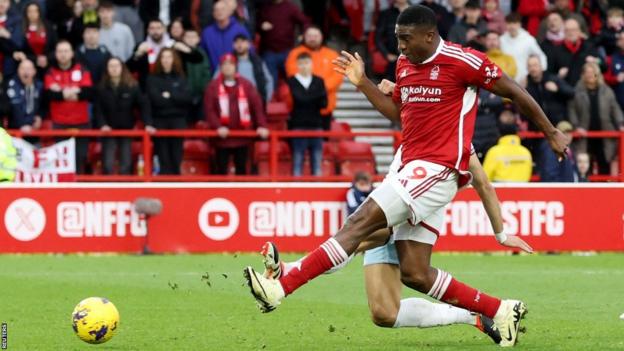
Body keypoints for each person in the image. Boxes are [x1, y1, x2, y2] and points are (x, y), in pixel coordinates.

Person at [243, 6, 568, 349]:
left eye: (405, 39)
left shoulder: (464, 61)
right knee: (414, 273)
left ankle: (283, 284)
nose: (399, 47)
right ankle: (499, 310)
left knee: (360, 223)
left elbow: (514, 91)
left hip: (438, 169)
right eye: (397, 38)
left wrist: (549, 132)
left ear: (429, 35)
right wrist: (364, 83)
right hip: (413, 172)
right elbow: (400, 115)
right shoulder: (405, 66)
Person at [205, 53, 268, 175]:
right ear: (221, 68)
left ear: (236, 66)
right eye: (224, 64)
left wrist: (261, 125)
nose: (228, 67)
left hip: (243, 136)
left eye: (231, 64)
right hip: (221, 138)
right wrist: (218, 127)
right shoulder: (213, 87)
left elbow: (257, 106)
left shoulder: (247, 85)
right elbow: (209, 110)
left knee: (242, 170)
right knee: (220, 171)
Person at [95, 57, 154, 174]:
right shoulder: (101, 88)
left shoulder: (132, 86)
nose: (114, 69)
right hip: (108, 130)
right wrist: (102, 125)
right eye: (111, 66)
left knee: (126, 163)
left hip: (126, 129)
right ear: (107, 69)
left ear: (122, 68)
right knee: (107, 163)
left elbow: (143, 105)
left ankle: (126, 190)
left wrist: (147, 124)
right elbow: (98, 110)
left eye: (117, 66)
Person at [43, 40, 94, 174]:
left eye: (66, 51)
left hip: (81, 122)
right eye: (60, 51)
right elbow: (50, 95)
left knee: (81, 156)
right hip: (59, 123)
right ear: (56, 54)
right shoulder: (50, 72)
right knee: (61, 159)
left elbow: (87, 93)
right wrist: (74, 90)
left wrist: (62, 91)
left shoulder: (82, 69)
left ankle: (81, 190)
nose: (63, 54)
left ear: (72, 53)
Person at [568, 62, 624, 175]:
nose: (590, 75)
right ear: (583, 74)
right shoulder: (576, 92)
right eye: (587, 72)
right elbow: (571, 111)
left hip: (604, 137)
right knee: (584, 169)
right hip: (584, 137)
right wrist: (576, 127)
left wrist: (620, 123)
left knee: (604, 167)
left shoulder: (607, 91)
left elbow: (615, 109)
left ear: (597, 74)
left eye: (592, 72)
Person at [285, 26, 342, 131]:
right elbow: (292, 73)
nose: (313, 38)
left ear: (321, 37)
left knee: (322, 143)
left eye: (315, 36)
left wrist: (318, 88)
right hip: (301, 108)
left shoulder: (332, 55)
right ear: (304, 37)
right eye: (310, 36)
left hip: (325, 107)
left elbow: (337, 76)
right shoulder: (295, 54)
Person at [145, 48, 192, 175]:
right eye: (163, 57)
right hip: (159, 121)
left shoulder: (181, 78)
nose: (166, 60)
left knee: (176, 156)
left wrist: (169, 95)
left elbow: (187, 99)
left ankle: (176, 186)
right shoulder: (152, 79)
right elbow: (154, 100)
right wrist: (174, 97)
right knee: (162, 155)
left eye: (169, 57)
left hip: (178, 121)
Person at [286, 52, 327, 176]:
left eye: (307, 63)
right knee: (297, 160)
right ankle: (295, 191)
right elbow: (298, 99)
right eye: (301, 63)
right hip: (298, 124)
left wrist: (305, 98)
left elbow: (324, 103)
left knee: (317, 161)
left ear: (312, 64)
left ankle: (318, 190)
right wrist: (314, 97)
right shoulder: (291, 81)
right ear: (297, 65)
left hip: (316, 125)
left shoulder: (319, 80)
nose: (304, 66)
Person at [256, 0, 309, 89]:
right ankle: (272, 102)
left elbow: (305, 22)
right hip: (269, 52)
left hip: (287, 51)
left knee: (294, 82)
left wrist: (303, 35)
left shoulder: (290, 7)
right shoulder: (265, 8)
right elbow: (256, 24)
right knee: (270, 84)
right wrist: (261, 25)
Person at [547, 17, 602, 87]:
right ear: (564, 32)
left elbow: (603, 64)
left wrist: (596, 61)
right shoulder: (556, 50)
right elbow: (549, 74)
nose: (571, 33)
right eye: (567, 30)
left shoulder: (588, 46)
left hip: (588, 89)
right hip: (567, 91)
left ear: (579, 31)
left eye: (573, 30)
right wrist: (558, 75)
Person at [200, 1, 250, 71]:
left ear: (230, 12)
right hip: (215, 75)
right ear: (213, 14)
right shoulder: (207, 33)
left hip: (237, 74)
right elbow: (203, 55)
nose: (219, 12)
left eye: (223, 9)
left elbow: (250, 51)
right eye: (216, 10)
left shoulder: (240, 29)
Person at [482, 113, 533, 182]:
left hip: (498, 192)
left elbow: (484, 180)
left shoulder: (494, 152)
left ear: (498, 130)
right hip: (522, 192)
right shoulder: (526, 152)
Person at [500, 12, 547, 84]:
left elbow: (541, 56)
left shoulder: (528, 39)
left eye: (514, 23)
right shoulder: (501, 40)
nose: (512, 26)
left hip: (525, 81)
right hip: (507, 82)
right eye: (509, 23)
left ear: (519, 24)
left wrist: (540, 74)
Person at [127, 19, 175, 88]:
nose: (155, 31)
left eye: (158, 28)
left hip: (169, 85)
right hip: (147, 88)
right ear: (147, 30)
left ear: (164, 29)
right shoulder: (141, 46)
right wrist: (138, 54)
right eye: (152, 28)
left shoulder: (172, 45)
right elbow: (130, 68)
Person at [228, 34, 273, 104]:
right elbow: (216, 81)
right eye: (236, 42)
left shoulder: (258, 62)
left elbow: (269, 80)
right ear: (233, 45)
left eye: (242, 41)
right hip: (234, 104)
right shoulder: (228, 62)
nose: (239, 44)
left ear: (249, 44)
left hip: (256, 103)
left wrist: (266, 99)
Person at [4, 59, 43, 139]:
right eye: (22, 68)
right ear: (18, 70)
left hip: (34, 133)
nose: (25, 72)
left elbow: (44, 106)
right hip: (14, 133)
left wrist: (40, 116)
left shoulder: (39, 86)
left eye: (28, 69)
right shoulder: (10, 85)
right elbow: (7, 108)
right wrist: (21, 125)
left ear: (34, 71)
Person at [375, 0, 410, 80]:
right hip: (394, 58)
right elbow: (378, 37)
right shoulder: (386, 14)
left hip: (413, 58)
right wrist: (386, 54)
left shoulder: (417, 12)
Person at [182, 29, 211, 124]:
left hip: (201, 94)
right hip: (184, 95)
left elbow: (206, 73)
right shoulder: (180, 54)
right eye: (188, 37)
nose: (190, 39)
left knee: (201, 122)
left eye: (193, 37)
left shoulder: (202, 53)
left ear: (198, 39)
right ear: (183, 39)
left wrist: (203, 89)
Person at [20, 2, 56, 75]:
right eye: (30, 11)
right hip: (29, 66)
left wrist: (47, 58)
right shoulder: (21, 28)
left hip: (48, 63)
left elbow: (55, 46)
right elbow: (21, 50)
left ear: (39, 12)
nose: (32, 14)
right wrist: (36, 59)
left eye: (35, 11)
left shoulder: (48, 26)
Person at [0, 0, 24, 77]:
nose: (1, 4)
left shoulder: (16, 21)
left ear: (9, 4)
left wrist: (7, 35)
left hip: (8, 66)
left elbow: (18, 44)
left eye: (4, 1)